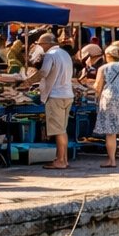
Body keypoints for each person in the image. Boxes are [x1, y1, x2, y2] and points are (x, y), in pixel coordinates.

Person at [35, 33, 75, 170]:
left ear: (47, 43)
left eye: (41, 44)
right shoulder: (65, 54)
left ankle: (61, 161)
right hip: (67, 94)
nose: (41, 47)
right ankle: (63, 159)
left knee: (59, 130)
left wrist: (28, 80)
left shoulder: (50, 55)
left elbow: (44, 72)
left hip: (56, 95)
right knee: (62, 129)